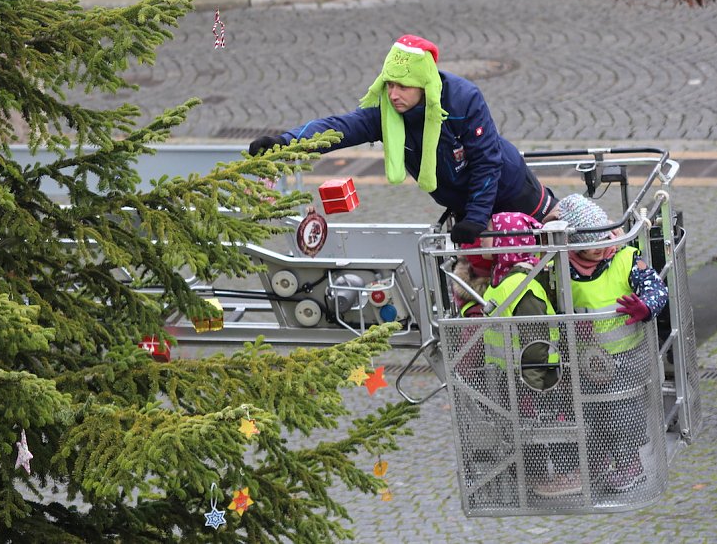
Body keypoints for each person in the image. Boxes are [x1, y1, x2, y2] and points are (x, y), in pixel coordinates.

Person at [248, 34, 557, 244]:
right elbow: (341, 126)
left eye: (403, 87)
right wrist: (286, 142)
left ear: (423, 84)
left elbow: (487, 162)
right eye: (389, 84)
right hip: (465, 205)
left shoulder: (463, 99)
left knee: (535, 263)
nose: (393, 95)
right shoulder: (389, 110)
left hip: (514, 192)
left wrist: (476, 218)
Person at [452, 212, 581, 498]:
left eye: (491, 236)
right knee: (534, 429)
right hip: (524, 378)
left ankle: (560, 475)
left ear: (505, 243)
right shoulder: (514, 281)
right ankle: (545, 476)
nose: (486, 243)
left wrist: (533, 381)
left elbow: (533, 337)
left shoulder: (515, 284)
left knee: (539, 429)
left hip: (525, 378)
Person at [549, 193, 669, 493]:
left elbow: (657, 288)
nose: (603, 249)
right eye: (593, 247)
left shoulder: (626, 258)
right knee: (590, 413)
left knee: (622, 415)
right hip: (584, 361)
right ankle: (599, 459)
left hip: (625, 357)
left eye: (605, 240)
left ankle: (631, 466)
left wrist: (646, 306)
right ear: (575, 245)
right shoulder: (561, 266)